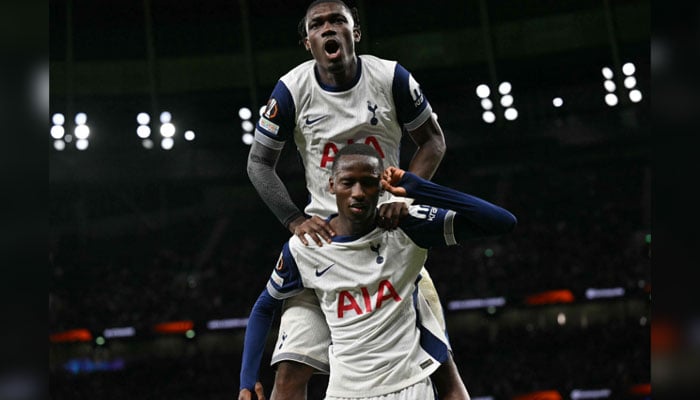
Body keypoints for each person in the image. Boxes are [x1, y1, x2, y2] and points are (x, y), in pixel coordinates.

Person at [245, 0, 465, 398]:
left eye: (337, 21)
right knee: (289, 375)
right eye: (318, 24)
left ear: (355, 33)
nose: (328, 29)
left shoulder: (390, 76)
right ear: (306, 41)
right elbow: (258, 162)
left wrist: (406, 193)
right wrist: (295, 220)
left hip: (387, 234)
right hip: (323, 246)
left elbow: (433, 140)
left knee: (441, 367)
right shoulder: (292, 90)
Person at [239, 144, 517, 400]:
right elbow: (265, 306)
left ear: (381, 186)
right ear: (332, 185)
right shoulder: (306, 247)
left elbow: (501, 221)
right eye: (348, 182)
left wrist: (418, 188)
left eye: (369, 183)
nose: (358, 192)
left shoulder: (406, 228)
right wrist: (247, 381)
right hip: (343, 392)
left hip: (409, 386)